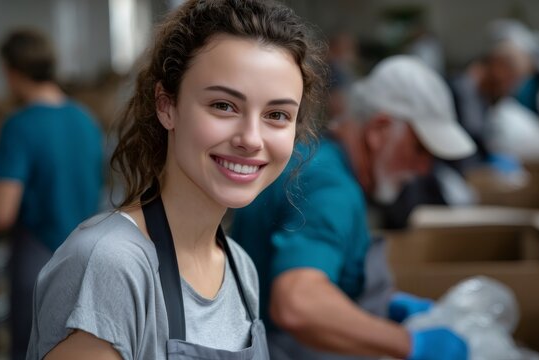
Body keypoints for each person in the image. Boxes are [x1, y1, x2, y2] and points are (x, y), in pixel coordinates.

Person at [26, 0, 325, 359]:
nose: (251, 138)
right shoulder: (110, 266)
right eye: (223, 106)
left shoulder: (240, 268)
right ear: (167, 106)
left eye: (276, 114)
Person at [232, 56, 475, 360]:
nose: (424, 168)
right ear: (379, 130)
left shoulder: (313, 159)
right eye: (419, 149)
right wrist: (409, 344)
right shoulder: (333, 190)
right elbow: (297, 301)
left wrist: (383, 305)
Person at [0, 29, 103, 359]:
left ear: (11, 71)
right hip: (85, 256)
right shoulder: (85, 119)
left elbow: (1, 212)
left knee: (33, 348)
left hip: (38, 259)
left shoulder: (20, 126)